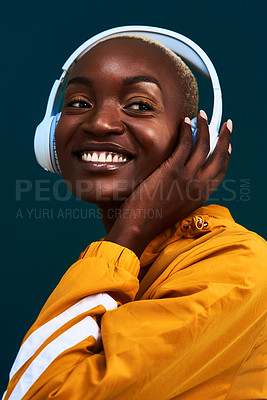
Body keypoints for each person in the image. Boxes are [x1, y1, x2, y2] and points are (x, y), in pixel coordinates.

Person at [3, 32, 267, 400]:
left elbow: (42, 393)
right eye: (78, 102)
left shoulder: (238, 267)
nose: (99, 123)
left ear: (192, 138)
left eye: (140, 105)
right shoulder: (132, 260)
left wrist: (131, 228)